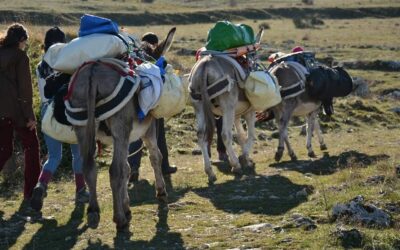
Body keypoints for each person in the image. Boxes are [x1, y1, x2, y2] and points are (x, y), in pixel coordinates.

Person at [30, 27, 89, 212]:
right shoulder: (68, 63)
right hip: (67, 110)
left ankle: (41, 185)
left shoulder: (40, 65)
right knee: (77, 154)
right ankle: (80, 190)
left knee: (54, 156)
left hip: (48, 113)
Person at [128, 32, 177, 182]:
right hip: (153, 103)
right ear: (155, 44)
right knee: (158, 135)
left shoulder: (133, 56)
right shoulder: (156, 57)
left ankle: (133, 169)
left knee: (136, 135)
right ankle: (164, 167)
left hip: (134, 103)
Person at [0, 23, 41, 201]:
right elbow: (25, 89)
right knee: (32, 147)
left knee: (4, 150)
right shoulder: (20, 56)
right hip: (17, 111)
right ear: (22, 40)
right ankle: (31, 193)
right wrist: (30, 116)